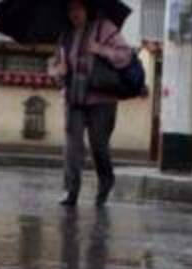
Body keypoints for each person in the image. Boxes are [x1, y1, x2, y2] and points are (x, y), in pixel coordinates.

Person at [49, 0, 133, 207]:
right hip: (74, 99)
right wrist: (56, 71)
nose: (74, 13)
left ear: (88, 9)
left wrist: (101, 49)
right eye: (70, 9)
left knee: (99, 146)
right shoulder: (65, 35)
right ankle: (71, 190)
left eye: (78, 8)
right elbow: (54, 64)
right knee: (72, 146)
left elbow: (125, 56)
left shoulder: (105, 28)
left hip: (102, 99)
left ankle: (106, 181)